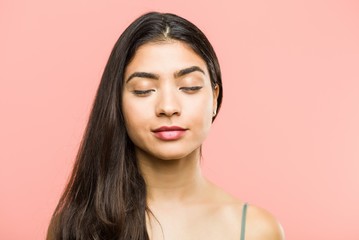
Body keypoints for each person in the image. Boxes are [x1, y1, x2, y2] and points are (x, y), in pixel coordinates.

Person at [47, 12, 285, 240]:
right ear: (117, 103)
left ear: (214, 98)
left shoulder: (256, 230)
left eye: (189, 86)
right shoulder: (74, 226)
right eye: (143, 90)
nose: (168, 107)